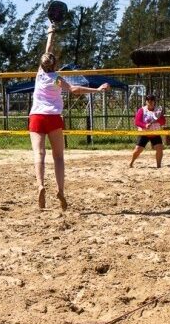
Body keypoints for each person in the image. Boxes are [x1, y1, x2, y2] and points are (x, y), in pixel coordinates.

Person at [28, 52, 110, 210]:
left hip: (37, 117)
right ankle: (60, 190)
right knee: (58, 157)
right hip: (53, 117)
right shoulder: (56, 78)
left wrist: (50, 33)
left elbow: (48, 48)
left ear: (41, 64)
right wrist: (98, 90)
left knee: (39, 154)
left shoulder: (39, 74)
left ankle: (40, 185)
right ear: (54, 65)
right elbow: (74, 89)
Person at [129, 94, 166, 168]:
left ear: (154, 102)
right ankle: (131, 162)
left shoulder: (157, 110)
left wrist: (157, 121)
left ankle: (158, 166)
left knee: (159, 148)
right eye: (148, 100)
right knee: (138, 150)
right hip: (144, 133)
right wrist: (145, 125)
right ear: (146, 102)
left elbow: (163, 121)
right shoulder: (142, 110)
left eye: (152, 100)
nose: (150, 102)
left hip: (155, 133)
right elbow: (137, 122)